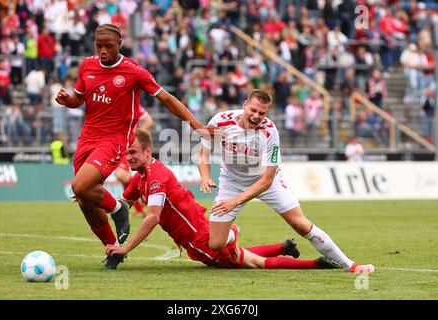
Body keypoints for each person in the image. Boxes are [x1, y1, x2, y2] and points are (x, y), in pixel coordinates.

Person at [54, 24, 209, 269]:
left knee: (80, 186)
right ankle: (114, 250)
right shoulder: (87, 66)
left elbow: (167, 99)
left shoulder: (134, 71)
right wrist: (67, 101)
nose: (103, 51)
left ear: (119, 45)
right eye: (99, 46)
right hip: (87, 138)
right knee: (85, 200)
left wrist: (196, 124)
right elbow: (78, 99)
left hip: (114, 139)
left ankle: (118, 209)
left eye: (108, 46)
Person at [105, 128, 340, 271]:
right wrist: (95, 196)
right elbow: (122, 206)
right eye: (126, 153)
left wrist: (125, 248)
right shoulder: (141, 177)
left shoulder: (156, 176)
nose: (128, 157)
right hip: (203, 231)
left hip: (202, 242)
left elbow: (153, 217)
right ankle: (281, 246)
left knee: (253, 263)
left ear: (148, 152)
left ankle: (316, 263)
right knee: (243, 256)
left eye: (133, 152)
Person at [198, 89, 374, 273]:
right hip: (231, 182)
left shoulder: (270, 132)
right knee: (216, 244)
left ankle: (351, 265)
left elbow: (267, 180)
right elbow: (204, 152)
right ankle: (231, 233)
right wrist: (206, 176)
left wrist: (235, 201)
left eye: (262, 113)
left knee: (301, 225)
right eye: (253, 110)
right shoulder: (220, 121)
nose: (256, 116)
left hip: (266, 182)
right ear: (244, 105)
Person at [114, 104, 153, 217]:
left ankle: (144, 192)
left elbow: (148, 120)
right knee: (124, 180)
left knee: (121, 175)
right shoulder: (109, 102)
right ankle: (139, 207)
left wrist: (134, 139)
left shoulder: (131, 103)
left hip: (125, 147)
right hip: (114, 146)